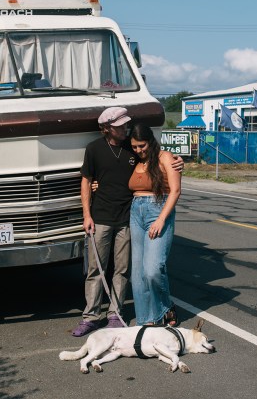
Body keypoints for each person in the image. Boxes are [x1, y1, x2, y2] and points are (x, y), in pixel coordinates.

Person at [72, 107, 183, 337]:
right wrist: (87, 214)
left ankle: (116, 315)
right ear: (106, 128)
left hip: (127, 217)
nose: (125, 129)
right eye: (120, 126)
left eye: (125, 125)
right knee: (97, 269)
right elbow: (86, 180)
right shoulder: (94, 149)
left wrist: (179, 162)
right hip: (101, 216)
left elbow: (158, 162)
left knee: (125, 270)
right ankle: (91, 316)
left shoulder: (132, 148)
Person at [127, 122, 182, 327]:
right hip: (136, 212)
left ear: (150, 141)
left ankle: (166, 308)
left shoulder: (165, 157)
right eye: (135, 146)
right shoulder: (134, 160)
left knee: (153, 269)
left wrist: (161, 219)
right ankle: (146, 321)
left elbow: (175, 190)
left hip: (158, 211)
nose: (139, 150)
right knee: (138, 273)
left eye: (142, 146)